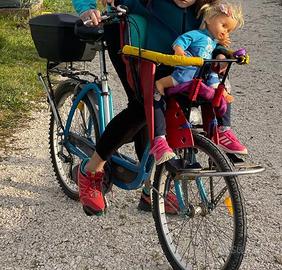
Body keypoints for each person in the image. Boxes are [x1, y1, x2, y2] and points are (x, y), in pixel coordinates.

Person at [72, 0, 247, 216]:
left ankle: (150, 188)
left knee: (172, 108)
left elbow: (208, 36)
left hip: (176, 64)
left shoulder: (201, 9)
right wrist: (89, 7)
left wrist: (219, 53)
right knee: (141, 107)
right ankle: (91, 169)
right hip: (135, 42)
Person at [150, 1, 244, 165]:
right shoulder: (197, 34)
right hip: (188, 71)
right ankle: (161, 85)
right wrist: (179, 51)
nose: (225, 32)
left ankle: (223, 129)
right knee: (179, 79)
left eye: (228, 30)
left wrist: (225, 55)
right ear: (208, 18)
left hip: (201, 73)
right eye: (223, 26)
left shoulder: (213, 41)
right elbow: (181, 41)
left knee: (221, 83)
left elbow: (216, 53)